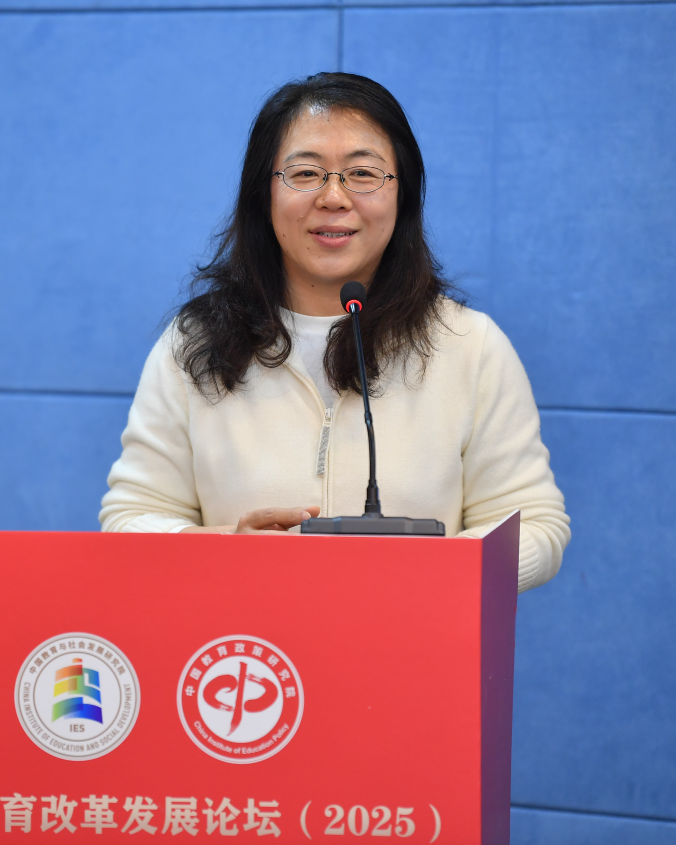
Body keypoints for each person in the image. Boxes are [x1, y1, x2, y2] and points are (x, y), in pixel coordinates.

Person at [99, 72, 570, 592]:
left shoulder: (469, 345)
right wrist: (228, 549)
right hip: (247, 642)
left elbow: (535, 526)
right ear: (263, 193)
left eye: (363, 174)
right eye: (305, 173)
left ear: (404, 194)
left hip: (416, 635)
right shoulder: (195, 342)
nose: (333, 197)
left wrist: (424, 578)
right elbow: (131, 518)